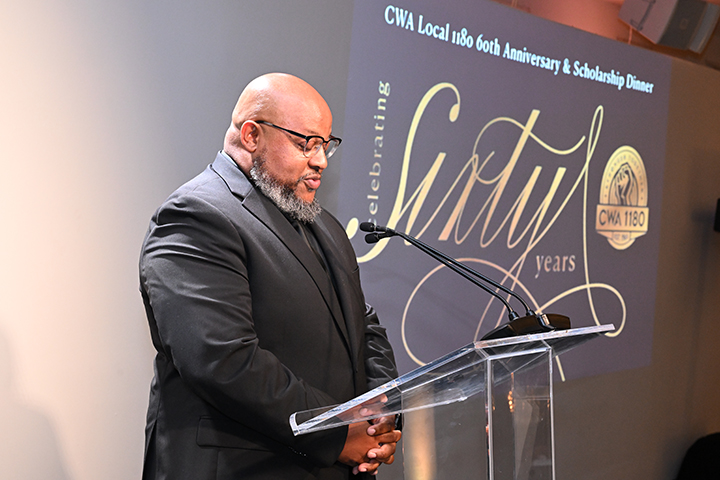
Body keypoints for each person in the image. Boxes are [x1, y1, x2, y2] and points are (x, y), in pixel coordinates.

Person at [139, 73, 401, 480]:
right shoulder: (196, 215)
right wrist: (337, 430)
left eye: (326, 144)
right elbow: (223, 359)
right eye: (306, 144)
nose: (321, 160)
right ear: (251, 136)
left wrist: (382, 412)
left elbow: (363, 326)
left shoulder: (327, 228)